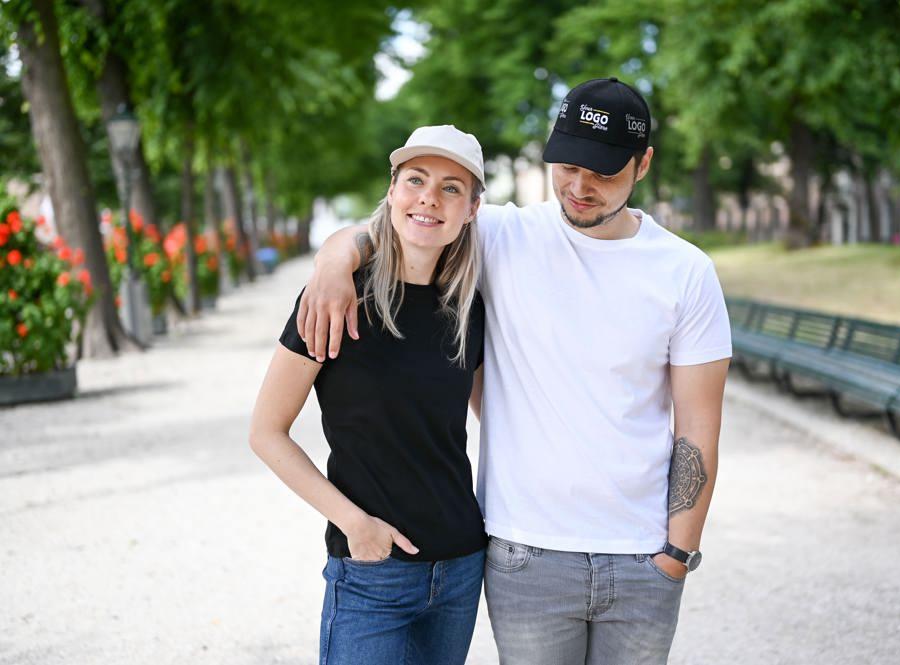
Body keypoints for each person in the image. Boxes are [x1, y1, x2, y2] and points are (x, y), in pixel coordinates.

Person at [298, 78, 732, 664]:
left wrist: (677, 555)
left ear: (644, 164)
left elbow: (698, 427)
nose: (579, 186)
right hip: (526, 552)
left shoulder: (686, 272)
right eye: (568, 165)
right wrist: (333, 261)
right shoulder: (502, 235)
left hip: (642, 556)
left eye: (603, 173)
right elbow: (406, 221)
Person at [249, 125, 490, 665]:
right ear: (392, 189)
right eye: (416, 180)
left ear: (472, 209)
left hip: (459, 568)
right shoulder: (335, 298)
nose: (429, 197)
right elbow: (266, 432)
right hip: (371, 573)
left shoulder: (469, 309)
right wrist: (354, 524)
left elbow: (497, 418)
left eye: (451, 188)